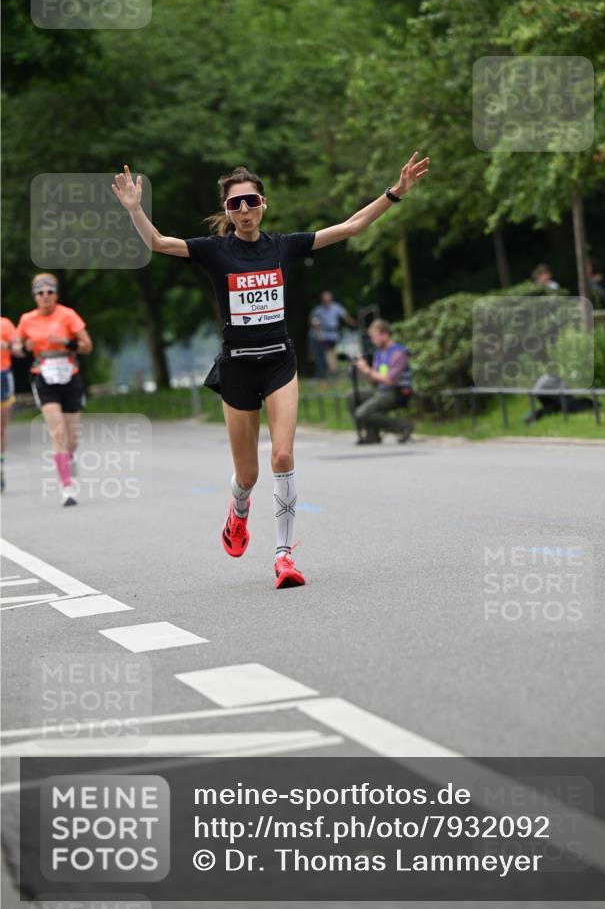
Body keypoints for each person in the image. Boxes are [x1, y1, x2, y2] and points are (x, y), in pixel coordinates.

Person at [111, 152, 429, 588]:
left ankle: (284, 556)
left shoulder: (282, 246)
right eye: (234, 204)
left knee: (282, 456)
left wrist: (395, 193)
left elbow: (350, 227)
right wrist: (134, 209)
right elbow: (158, 243)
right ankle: (239, 509)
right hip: (238, 371)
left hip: (279, 363)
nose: (244, 210)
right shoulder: (215, 251)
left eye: (251, 201)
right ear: (227, 211)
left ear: (263, 204)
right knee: (248, 475)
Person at [16, 274, 93, 507]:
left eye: (50, 292)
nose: (45, 296)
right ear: (35, 297)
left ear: (56, 295)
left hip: (70, 376)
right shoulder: (27, 319)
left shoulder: (67, 315)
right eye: (40, 293)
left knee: (72, 437)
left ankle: (70, 456)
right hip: (44, 377)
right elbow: (17, 347)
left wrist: (65, 342)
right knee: (58, 432)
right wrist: (25, 346)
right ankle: (67, 487)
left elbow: (87, 346)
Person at [348, 319, 413, 445]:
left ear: (385, 334)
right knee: (352, 397)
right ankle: (372, 433)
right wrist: (364, 370)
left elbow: (390, 380)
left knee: (361, 414)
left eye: (375, 336)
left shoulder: (399, 353)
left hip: (397, 391)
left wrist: (368, 370)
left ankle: (403, 426)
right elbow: (374, 379)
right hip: (381, 390)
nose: (373, 340)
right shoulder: (379, 353)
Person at [309, 291, 356, 378]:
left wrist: (354, 323)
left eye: (328, 299)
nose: (327, 301)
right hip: (324, 335)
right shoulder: (318, 310)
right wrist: (317, 332)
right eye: (325, 300)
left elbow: (345, 317)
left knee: (331, 353)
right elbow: (313, 321)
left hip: (334, 335)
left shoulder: (336, 307)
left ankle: (332, 370)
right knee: (328, 352)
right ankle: (332, 371)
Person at [1, 315, 18, 493]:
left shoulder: (4, 324)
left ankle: (0, 465)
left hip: (2, 376)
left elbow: (19, 348)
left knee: (1, 428)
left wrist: (6, 346)